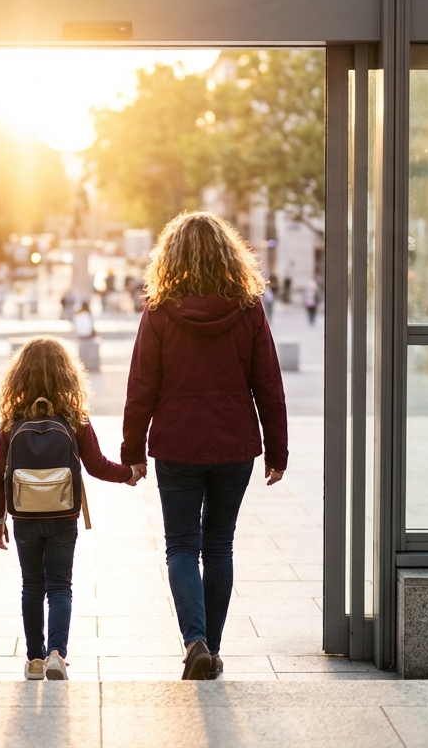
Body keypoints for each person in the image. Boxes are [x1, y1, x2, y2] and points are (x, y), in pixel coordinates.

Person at [121, 211, 288, 681]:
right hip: (234, 444)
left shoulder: (160, 310)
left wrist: (132, 451)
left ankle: (194, 640)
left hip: (176, 443)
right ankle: (211, 648)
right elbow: (268, 384)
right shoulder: (248, 308)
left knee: (181, 546)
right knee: (218, 545)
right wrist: (278, 452)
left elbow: (141, 386)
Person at [0, 338, 142, 680]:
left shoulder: (12, 421)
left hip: (24, 517)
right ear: (67, 375)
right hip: (62, 515)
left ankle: (34, 660)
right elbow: (98, 466)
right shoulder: (74, 418)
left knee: (32, 585)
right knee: (60, 586)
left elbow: (0, 474)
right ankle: (57, 652)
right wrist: (129, 474)